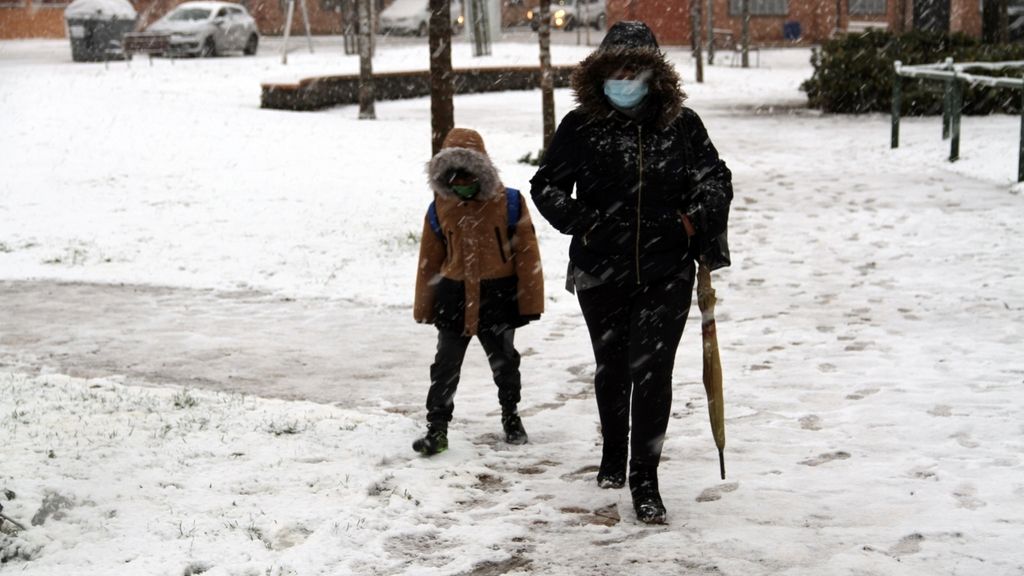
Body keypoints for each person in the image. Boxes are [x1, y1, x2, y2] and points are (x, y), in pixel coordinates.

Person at [529, 21, 733, 524]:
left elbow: (717, 180)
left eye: (634, 70)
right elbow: (546, 187)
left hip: (666, 270)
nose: (624, 79)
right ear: (600, 73)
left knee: (654, 372)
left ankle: (645, 478)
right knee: (612, 367)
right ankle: (612, 455)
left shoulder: (682, 126)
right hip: (601, 270)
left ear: (653, 76)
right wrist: (588, 223)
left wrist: (692, 220)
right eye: (615, 70)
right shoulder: (580, 127)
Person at [412, 127, 545, 456]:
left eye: (468, 175)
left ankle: (511, 416)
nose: (461, 183)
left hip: (497, 297)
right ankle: (437, 428)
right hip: (453, 297)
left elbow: (527, 253)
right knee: (445, 365)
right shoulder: (439, 207)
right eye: (453, 176)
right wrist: (425, 306)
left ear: (482, 170)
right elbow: (430, 260)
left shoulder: (510, 201)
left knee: (504, 362)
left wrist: (529, 300)